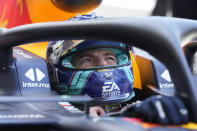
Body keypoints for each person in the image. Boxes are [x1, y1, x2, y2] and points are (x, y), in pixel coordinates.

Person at [47, 14, 189, 125]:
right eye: (87, 60)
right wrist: (79, 121)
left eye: (109, 57)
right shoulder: (48, 110)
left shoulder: (145, 102)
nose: (103, 64)